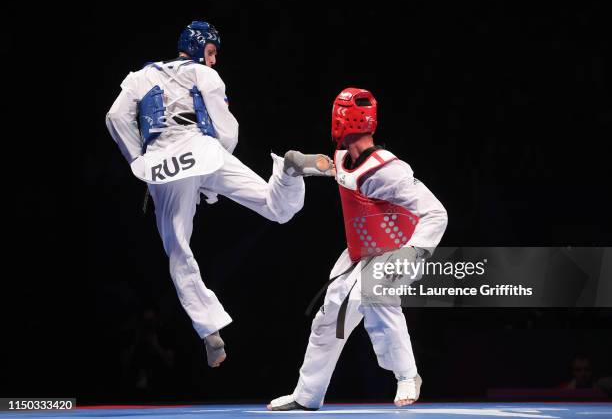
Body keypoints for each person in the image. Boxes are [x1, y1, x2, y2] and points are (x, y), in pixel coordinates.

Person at [106, 21, 333, 368]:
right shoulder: (206, 76)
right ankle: (287, 171)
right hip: (202, 148)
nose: (212, 60)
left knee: (178, 249)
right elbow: (228, 129)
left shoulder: (139, 76)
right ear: (198, 49)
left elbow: (115, 117)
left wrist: (140, 161)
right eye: (211, 53)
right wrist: (211, 173)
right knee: (277, 208)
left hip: (163, 159)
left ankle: (209, 330)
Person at [268, 87, 448, 410]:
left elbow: (436, 212)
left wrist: (415, 251)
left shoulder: (388, 169)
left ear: (341, 120)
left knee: (373, 291)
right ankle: (306, 396)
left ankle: (408, 375)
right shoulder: (343, 159)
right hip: (360, 253)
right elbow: (332, 168)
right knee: (328, 318)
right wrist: (300, 163)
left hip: (399, 251)